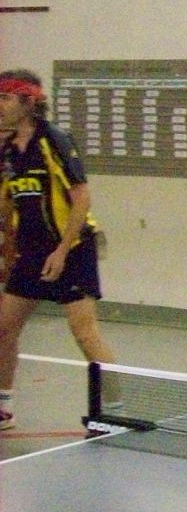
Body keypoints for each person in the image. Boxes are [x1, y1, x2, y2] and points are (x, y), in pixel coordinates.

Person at [0, 69, 115, 430]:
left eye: (5, 98)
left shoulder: (54, 140)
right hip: (30, 252)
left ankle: (115, 409)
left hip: (73, 247)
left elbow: (81, 198)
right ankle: (4, 407)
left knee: (84, 333)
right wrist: (8, 251)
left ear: (29, 102)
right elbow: (8, 204)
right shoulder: (7, 150)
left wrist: (62, 251)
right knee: (4, 329)